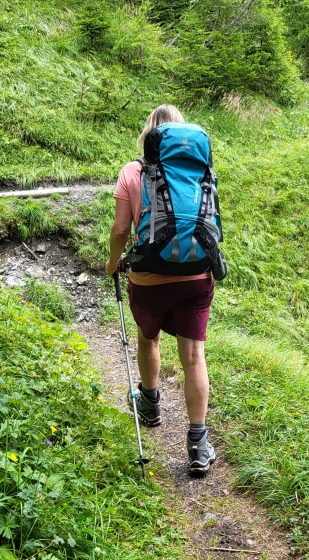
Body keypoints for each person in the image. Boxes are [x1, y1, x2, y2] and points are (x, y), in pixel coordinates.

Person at [105, 104, 217, 476]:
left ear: (149, 135)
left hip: (149, 276)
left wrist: (112, 262)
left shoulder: (132, 171)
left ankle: (150, 405)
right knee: (194, 356)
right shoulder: (200, 170)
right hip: (196, 274)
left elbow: (121, 230)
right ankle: (198, 444)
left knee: (148, 339)